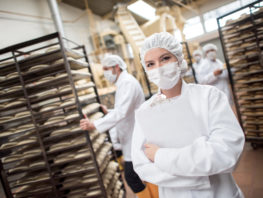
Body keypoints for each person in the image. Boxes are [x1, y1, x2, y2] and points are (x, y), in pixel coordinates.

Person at [131, 32, 245, 198]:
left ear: (178, 59)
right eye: (150, 64)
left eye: (165, 58)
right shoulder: (145, 111)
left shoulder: (209, 97)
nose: (159, 68)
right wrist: (202, 170)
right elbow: (142, 166)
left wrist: (160, 156)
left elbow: (226, 152)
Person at [80, 55, 156, 198]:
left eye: (106, 69)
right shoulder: (123, 83)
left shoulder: (127, 83)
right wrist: (108, 112)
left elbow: (122, 112)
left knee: (133, 176)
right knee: (136, 175)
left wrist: (94, 124)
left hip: (136, 136)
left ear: (116, 67)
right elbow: (125, 109)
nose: (105, 73)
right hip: (131, 137)